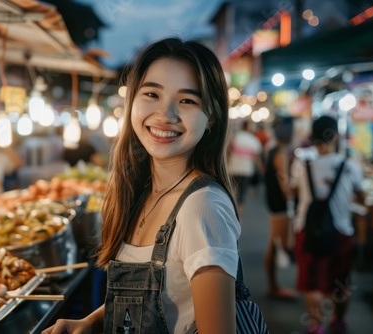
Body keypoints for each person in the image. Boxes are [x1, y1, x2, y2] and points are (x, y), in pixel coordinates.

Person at [43, 37, 241, 334]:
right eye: (152, 94)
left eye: (188, 100)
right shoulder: (141, 192)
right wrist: (90, 323)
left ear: (211, 117)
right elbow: (161, 299)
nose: (166, 115)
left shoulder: (202, 206)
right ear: (132, 101)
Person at [290, 116, 366, 334]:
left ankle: (316, 326)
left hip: (308, 229)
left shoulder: (301, 163)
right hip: (341, 232)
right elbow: (361, 196)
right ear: (336, 136)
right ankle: (338, 321)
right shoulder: (350, 166)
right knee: (340, 282)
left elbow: (292, 192)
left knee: (312, 282)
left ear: (313, 138)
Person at [263, 116, 296, 300]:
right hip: (279, 205)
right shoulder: (281, 153)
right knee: (277, 244)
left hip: (274, 203)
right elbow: (285, 186)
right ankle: (273, 286)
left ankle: (273, 285)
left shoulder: (274, 150)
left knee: (274, 244)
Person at [228, 120, 263, 214]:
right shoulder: (253, 140)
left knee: (231, 191)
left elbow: (228, 150)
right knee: (242, 193)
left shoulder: (235, 137)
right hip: (247, 170)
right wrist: (261, 169)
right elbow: (257, 157)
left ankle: (229, 209)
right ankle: (238, 213)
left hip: (233, 168)